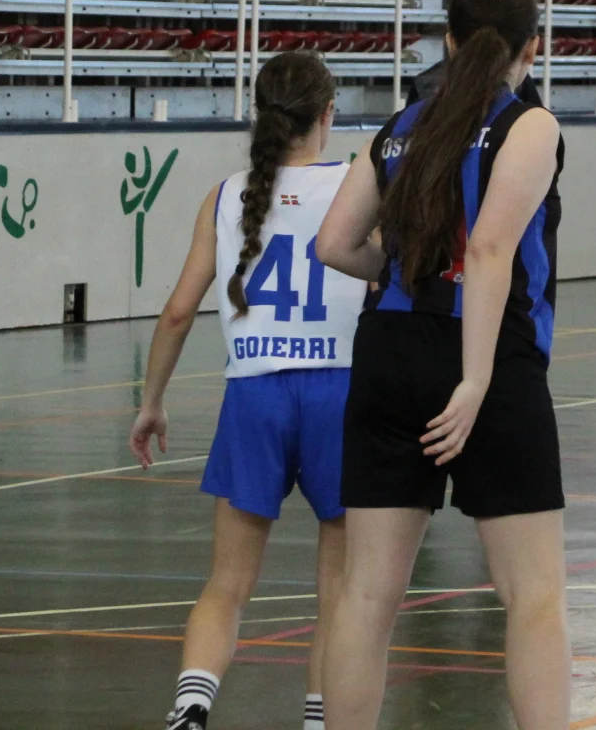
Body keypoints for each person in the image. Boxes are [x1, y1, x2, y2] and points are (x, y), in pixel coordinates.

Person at [315, 0, 569, 730]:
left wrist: (399, 270)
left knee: (366, 594)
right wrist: (476, 379)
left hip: (388, 351)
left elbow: (335, 244)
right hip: (488, 353)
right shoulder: (529, 124)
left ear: (449, 41)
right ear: (532, 48)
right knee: (533, 595)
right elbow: (489, 250)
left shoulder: (400, 126)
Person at [129, 52, 366, 730]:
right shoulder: (359, 185)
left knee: (227, 584)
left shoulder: (227, 195)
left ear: (260, 114)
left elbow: (178, 312)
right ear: (328, 113)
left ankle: (190, 706)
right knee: (340, 592)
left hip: (254, 393)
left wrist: (152, 402)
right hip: (340, 392)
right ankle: (320, 718)